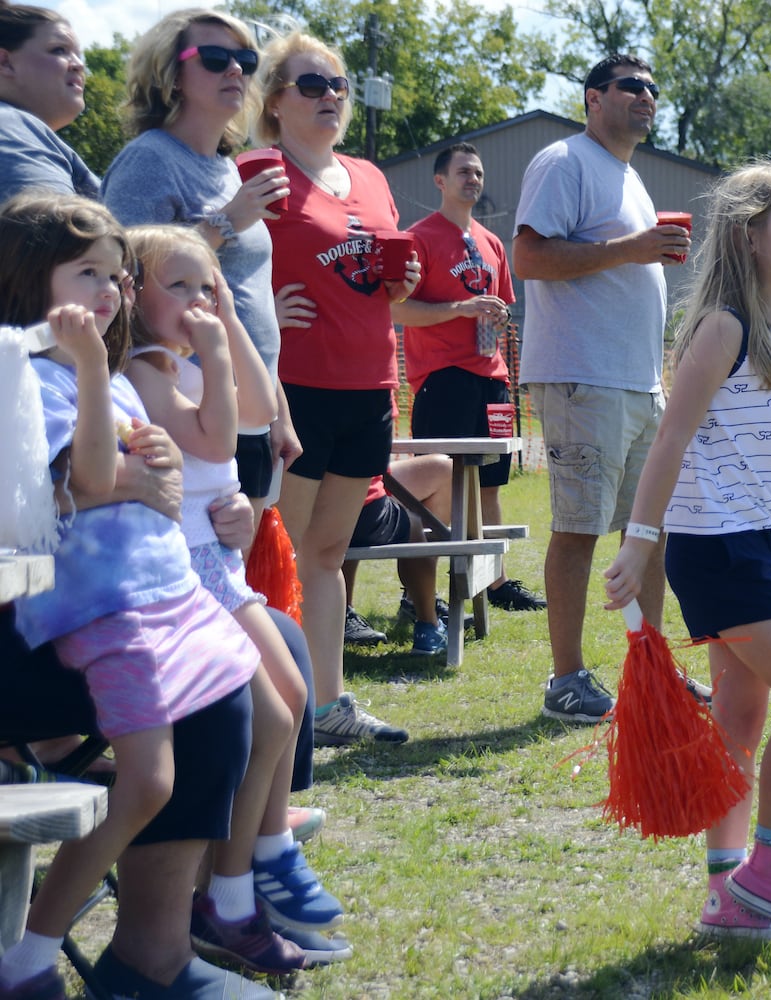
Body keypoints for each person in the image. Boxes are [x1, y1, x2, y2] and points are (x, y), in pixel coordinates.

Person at [0, 191, 266, 1000]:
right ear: (24, 277)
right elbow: (81, 479)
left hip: (151, 594)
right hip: (65, 608)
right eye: (89, 273)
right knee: (149, 777)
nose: (112, 291)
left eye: (117, 275)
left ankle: (158, 952)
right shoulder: (17, 366)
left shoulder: (102, 375)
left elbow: (155, 471)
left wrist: (155, 473)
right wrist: (130, 473)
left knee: (239, 687)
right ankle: (31, 954)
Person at [602, 160, 771, 944]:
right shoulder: (723, 328)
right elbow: (668, 442)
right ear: (750, 238)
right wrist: (641, 547)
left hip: (763, 550)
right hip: (717, 555)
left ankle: (727, 891)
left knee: (740, 718)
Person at [125, 224, 347, 971]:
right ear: (134, 293)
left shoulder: (186, 360)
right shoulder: (149, 368)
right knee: (272, 709)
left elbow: (253, 414)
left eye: (206, 287)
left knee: (288, 693)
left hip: (218, 563)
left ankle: (261, 858)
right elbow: (221, 444)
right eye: (177, 286)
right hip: (182, 575)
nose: (197, 302)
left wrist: (231, 324)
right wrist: (215, 348)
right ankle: (231, 892)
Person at [512, 53, 694, 722]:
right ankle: (566, 680)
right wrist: (630, 249)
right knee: (578, 529)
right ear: (593, 98)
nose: (645, 97)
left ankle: (651, 671)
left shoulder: (627, 175)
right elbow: (527, 258)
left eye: (652, 87)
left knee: (646, 530)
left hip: (635, 384)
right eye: (630, 88)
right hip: (580, 378)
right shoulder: (564, 161)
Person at [253, 31, 419, 747]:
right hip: (295, 387)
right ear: (275, 101)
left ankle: (327, 707)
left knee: (326, 555)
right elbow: (206, 257)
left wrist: (402, 285)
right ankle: (272, 711)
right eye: (310, 84)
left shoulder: (369, 175)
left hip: (369, 384)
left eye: (337, 84)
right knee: (279, 551)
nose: (330, 96)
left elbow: (381, 273)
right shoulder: (257, 169)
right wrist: (259, 301)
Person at [101, 6, 299, 541]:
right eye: (215, 58)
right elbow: (120, 277)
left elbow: (247, 300)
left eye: (245, 60)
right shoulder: (149, 160)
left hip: (245, 405)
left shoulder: (230, 166)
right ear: (171, 74)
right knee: (206, 584)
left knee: (239, 580)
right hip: (179, 405)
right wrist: (227, 223)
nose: (236, 70)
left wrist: (276, 409)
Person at [394, 141, 546, 615]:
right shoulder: (419, 238)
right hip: (445, 379)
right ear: (440, 181)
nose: (473, 179)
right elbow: (398, 309)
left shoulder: (492, 242)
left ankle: (496, 585)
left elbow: (499, 308)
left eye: (478, 173)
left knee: (490, 484)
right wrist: (459, 308)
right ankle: (418, 594)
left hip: (492, 379)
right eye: (463, 172)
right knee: (441, 486)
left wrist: (495, 317)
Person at [340, 451, 454, 655]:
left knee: (445, 469)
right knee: (411, 524)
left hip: (308, 484)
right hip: (345, 492)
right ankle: (428, 622)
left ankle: (415, 600)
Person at [0, 3, 96, 200]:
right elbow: (55, 227)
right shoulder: (9, 125)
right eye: (59, 50)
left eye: (78, 55)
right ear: (5, 62)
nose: (79, 65)